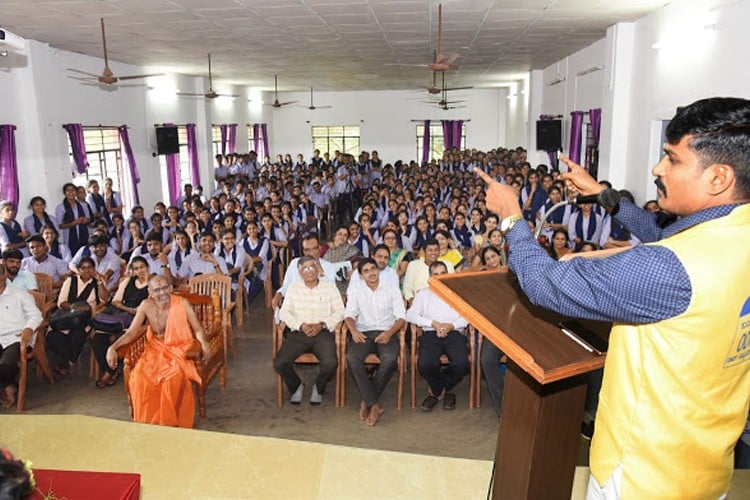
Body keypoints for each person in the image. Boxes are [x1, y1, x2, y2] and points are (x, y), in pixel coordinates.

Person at [476, 97, 750, 499]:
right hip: (705, 465)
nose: (657, 169)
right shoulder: (732, 235)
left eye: (672, 159)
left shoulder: (668, 269)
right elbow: (669, 235)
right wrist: (607, 197)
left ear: (718, 178)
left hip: (644, 473)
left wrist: (512, 218)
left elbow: (544, 283)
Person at [106, 275, 211, 428]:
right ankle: (148, 424)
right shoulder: (145, 305)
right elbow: (132, 332)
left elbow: (197, 329)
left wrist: (205, 344)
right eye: (157, 290)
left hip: (178, 349)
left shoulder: (182, 303)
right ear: (150, 292)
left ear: (170, 288)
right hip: (155, 350)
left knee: (170, 380)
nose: (162, 293)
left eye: (164, 288)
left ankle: (168, 424)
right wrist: (112, 347)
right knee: (138, 379)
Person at [275, 256, 344, 406]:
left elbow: (340, 311)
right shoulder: (294, 288)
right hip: (299, 332)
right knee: (280, 362)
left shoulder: (330, 287)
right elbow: (285, 313)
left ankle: (318, 387)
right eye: (305, 268)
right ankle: (296, 385)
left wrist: (323, 324)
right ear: (300, 272)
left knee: (331, 363)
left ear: (318, 268)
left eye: (312, 267)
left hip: (322, 333)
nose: (309, 271)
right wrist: (300, 325)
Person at [344, 258, 406, 426]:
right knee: (351, 357)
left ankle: (368, 399)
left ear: (378, 270)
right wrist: (354, 331)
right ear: (361, 275)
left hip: (387, 331)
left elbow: (401, 317)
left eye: (373, 269)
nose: (371, 273)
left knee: (390, 359)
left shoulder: (391, 288)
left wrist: (389, 333)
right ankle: (374, 403)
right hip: (363, 333)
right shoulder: (356, 289)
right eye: (366, 271)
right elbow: (349, 315)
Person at [405, 261, 470, 412]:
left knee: (462, 364)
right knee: (425, 364)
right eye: (436, 274)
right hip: (430, 334)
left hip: (453, 333)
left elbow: (468, 316)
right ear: (430, 277)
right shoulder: (423, 294)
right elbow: (410, 314)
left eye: (443, 274)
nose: (440, 277)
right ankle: (445, 391)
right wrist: (432, 323)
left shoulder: (457, 294)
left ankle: (437, 390)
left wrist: (451, 325)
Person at [91, 256, 150, 388]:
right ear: (132, 271)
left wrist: (138, 312)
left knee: (120, 339)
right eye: (136, 268)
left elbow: (151, 305)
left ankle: (108, 373)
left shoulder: (153, 283)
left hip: (139, 320)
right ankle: (112, 369)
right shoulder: (127, 281)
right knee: (97, 338)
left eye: (142, 267)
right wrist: (128, 309)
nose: (140, 271)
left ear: (148, 268)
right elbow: (115, 301)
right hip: (120, 316)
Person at [47, 256, 109, 377]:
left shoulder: (97, 282)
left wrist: (100, 281)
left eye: (90, 268)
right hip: (66, 318)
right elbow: (61, 302)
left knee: (77, 335)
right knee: (52, 337)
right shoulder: (70, 281)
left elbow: (105, 299)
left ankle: (66, 364)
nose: (87, 271)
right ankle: (71, 360)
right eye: (83, 268)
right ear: (79, 269)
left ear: (94, 269)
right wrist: (76, 308)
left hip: (85, 320)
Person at [0, 262, 42, 409]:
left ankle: (7, 388)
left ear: (4, 276)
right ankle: (9, 386)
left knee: (6, 363)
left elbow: (36, 315)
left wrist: (29, 328)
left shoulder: (19, 294)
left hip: (18, 337)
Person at [402, 239, 454, 306]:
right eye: (430, 250)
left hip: (442, 303)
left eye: (436, 250)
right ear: (424, 251)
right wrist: (412, 300)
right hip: (419, 304)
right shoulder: (414, 265)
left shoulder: (448, 265)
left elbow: (452, 288)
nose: (433, 253)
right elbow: (407, 288)